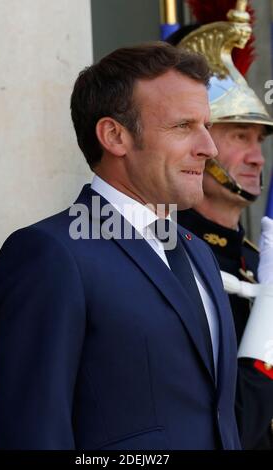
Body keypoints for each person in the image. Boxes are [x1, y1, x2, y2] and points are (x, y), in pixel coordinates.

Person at [0, 41, 240, 450]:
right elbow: (31, 434)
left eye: (206, 126)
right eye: (183, 126)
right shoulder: (51, 254)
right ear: (114, 136)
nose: (208, 148)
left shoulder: (199, 253)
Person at [167, 0, 273, 449]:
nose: (257, 156)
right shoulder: (171, 254)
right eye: (239, 137)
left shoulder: (253, 257)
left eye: (259, 139)